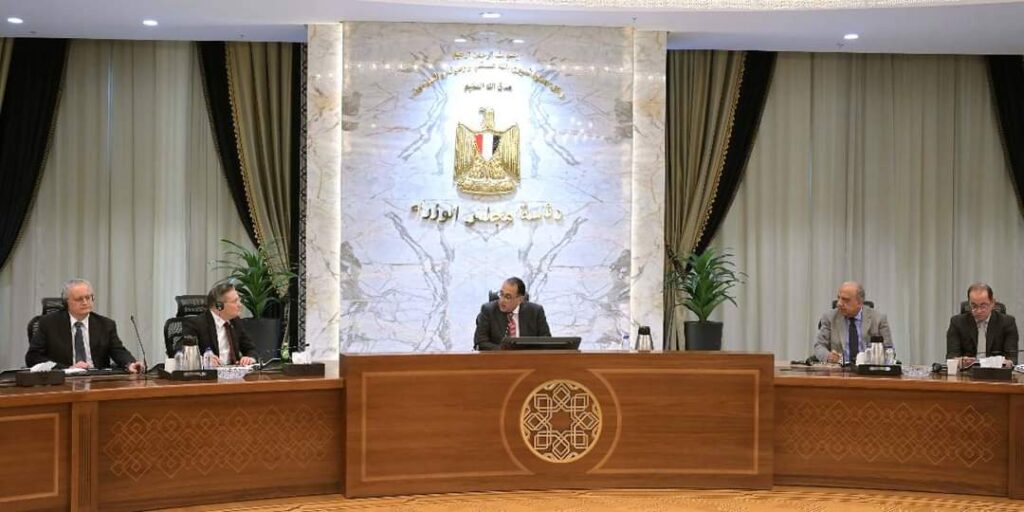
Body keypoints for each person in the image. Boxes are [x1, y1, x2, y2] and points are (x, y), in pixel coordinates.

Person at [26, 278, 144, 373]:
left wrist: (130, 364)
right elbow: (33, 357)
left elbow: (118, 351)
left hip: (97, 381)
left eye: (88, 297)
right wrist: (67, 368)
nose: (85, 302)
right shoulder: (48, 323)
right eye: (79, 299)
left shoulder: (106, 324)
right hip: (64, 380)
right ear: (66, 302)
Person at [813, 281, 893, 364]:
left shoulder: (879, 319)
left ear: (860, 303)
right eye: (839, 298)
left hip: (868, 369)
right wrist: (828, 356)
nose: (839, 303)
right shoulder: (829, 318)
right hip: (839, 369)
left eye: (845, 300)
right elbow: (819, 346)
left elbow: (889, 349)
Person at [181, 282, 257, 366]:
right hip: (209, 372)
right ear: (219, 306)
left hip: (233, 372)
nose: (240, 305)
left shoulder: (235, 321)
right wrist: (203, 360)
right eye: (235, 301)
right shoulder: (195, 324)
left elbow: (250, 348)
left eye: (239, 300)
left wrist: (249, 358)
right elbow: (181, 351)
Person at [946, 283, 1018, 368]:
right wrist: (961, 361)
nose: (979, 311)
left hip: (996, 372)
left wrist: (1003, 362)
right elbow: (951, 357)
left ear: (992, 303)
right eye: (974, 306)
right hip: (967, 372)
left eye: (983, 306)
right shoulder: (957, 322)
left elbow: (1012, 358)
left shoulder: (1007, 322)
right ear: (969, 304)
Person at [474, 277, 551, 351]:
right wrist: (503, 352)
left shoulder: (536, 312)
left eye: (507, 297)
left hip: (528, 358)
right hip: (498, 358)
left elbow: (546, 342)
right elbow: (481, 342)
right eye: (501, 294)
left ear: (520, 299)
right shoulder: (488, 310)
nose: (502, 300)